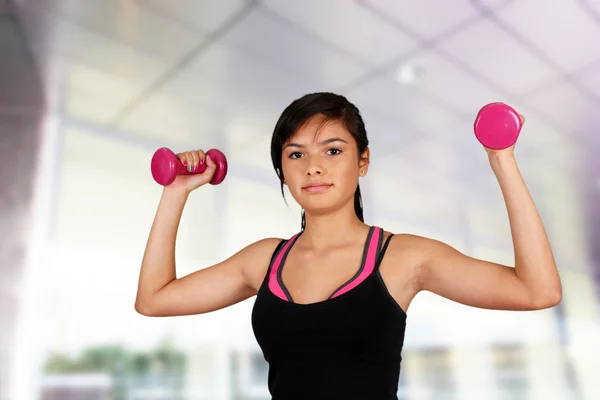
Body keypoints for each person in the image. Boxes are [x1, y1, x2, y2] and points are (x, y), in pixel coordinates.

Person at [135, 92, 562, 399]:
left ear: (363, 162)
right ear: (282, 171)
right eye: (296, 154)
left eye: (333, 149)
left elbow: (537, 290)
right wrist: (176, 191)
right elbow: (153, 300)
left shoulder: (404, 258)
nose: (314, 166)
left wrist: (501, 158)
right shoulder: (264, 259)